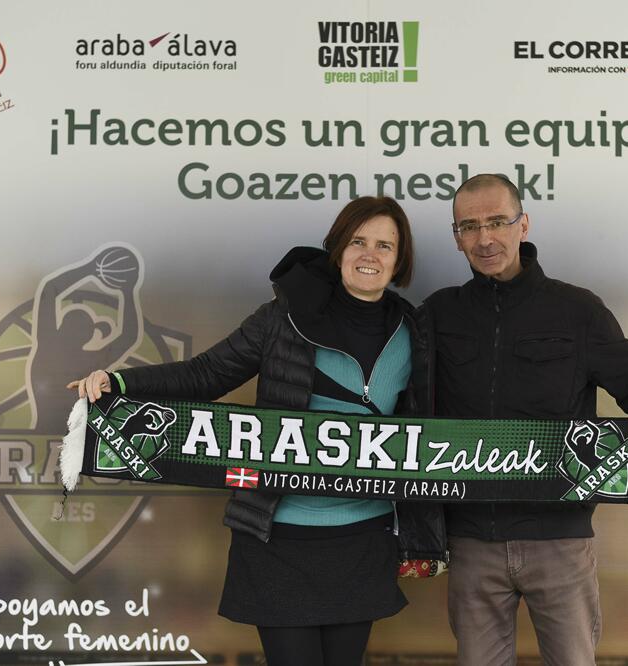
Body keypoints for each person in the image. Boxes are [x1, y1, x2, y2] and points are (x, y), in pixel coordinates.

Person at [69, 196, 444, 666]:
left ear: (400, 260)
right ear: (337, 250)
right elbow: (205, 375)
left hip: (363, 540)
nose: (370, 254)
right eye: (357, 241)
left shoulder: (414, 332)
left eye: (384, 245)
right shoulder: (281, 317)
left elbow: (428, 431)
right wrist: (120, 382)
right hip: (277, 536)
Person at [418, 174, 628, 666]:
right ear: (456, 236)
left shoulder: (577, 310)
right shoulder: (438, 314)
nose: (485, 238)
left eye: (498, 222)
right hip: (471, 540)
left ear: (524, 224)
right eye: (470, 227)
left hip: (561, 541)